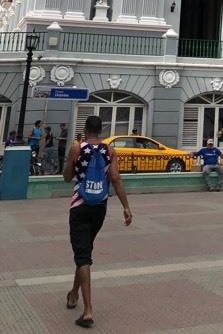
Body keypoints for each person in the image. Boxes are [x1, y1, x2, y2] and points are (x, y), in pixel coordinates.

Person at [63, 114, 132, 328]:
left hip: (80, 206)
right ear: (101, 130)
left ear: (85, 129)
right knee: (85, 252)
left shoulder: (77, 149)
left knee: (82, 255)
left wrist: (71, 163)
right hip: (100, 207)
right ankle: (73, 294)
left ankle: (88, 311)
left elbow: (66, 177)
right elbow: (116, 178)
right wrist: (126, 207)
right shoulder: (109, 150)